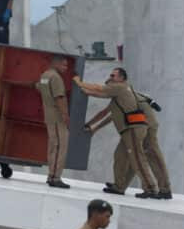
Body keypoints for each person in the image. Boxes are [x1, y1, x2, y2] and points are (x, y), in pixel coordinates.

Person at [73, 67, 160, 198]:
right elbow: (104, 112)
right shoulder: (118, 98)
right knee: (119, 157)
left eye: (113, 76)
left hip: (133, 129)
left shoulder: (121, 87)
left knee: (137, 159)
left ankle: (151, 189)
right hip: (128, 131)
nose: (110, 79)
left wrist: (79, 83)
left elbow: (98, 89)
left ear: (121, 78)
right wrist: (91, 126)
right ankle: (119, 187)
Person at [86, 87, 172, 199]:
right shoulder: (119, 98)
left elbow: (106, 113)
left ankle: (163, 189)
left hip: (145, 126)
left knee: (151, 157)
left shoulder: (126, 95)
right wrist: (95, 127)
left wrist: (93, 126)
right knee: (122, 156)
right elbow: (113, 114)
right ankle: (120, 186)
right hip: (131, 128)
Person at [38, 55, 71, 188]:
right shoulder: (56, 78)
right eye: (64, 65)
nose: (66, 68)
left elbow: (38, 87)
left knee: (53, 147)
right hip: (57, 117)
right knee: (60, 147)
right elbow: (60, 97)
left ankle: (51, 175)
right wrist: (65, 115)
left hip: (49, 116)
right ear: (56, 64)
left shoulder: (44, 76)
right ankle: (55, 177)